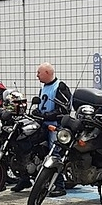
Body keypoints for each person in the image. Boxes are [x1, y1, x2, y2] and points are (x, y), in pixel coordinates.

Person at [13, 62, 72, 195]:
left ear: (46, 73)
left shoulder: (60, 87)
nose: (37, 76)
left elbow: (63, 110)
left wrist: (44, 115)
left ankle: (59, 185)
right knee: (24, 142)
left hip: (55, 126)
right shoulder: (44, 87)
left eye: (39, 73)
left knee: (54, 153)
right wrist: (35, 112)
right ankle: (24, 177)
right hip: (42, 123)